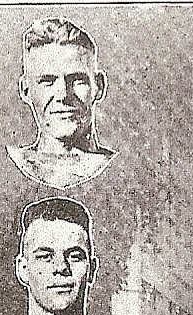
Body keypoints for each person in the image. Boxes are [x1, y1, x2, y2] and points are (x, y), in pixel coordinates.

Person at [8, 17, 115, 189]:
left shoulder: (127, 169)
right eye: (47, 81)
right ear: (25, 89)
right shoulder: (2, 167)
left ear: (99, 86)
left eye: (77, 80)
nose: (63, 94)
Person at [12, 197, 109, 315]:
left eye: (74, 256)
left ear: (91, 269)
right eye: (45, 256)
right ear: (23, 269)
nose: (61, 267)